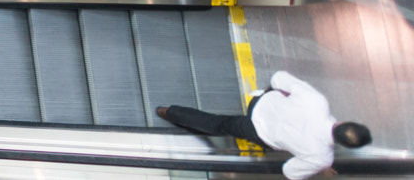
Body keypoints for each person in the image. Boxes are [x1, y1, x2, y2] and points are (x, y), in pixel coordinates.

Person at [157, 73, 368, 180]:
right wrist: (320, 167)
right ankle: (170, 112)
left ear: (343, 122)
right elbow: (290, 172)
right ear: (343, 144)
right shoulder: (322, 157)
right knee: (218, 124)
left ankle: (166, 110)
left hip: (259, 102)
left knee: (274, 92)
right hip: (255, 130)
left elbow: (278, 78)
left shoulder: (318, 102)